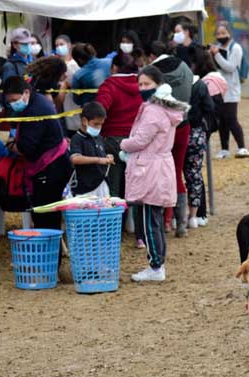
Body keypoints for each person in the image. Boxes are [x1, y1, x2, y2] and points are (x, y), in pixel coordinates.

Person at [124, 66, 190, 283]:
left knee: (148, 221)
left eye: (147, 84)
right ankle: (157, 263)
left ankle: (155, 265)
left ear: (157, 84)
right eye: (140, 84)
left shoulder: (153, 111)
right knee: (155, 221)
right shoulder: (165, 108)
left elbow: (140, 140)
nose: (142, 88)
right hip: (158, 166)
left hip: (149, 169)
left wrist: (123, 144)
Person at [3, 76, 72, 230]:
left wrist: (11, 145)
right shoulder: (37, 100)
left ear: (26, 92)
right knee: (47, 216)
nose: (13, 104)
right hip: (54, 162)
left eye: (14, 99)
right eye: (10, 101)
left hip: (51, 167)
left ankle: (51, 252)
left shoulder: (35, 111)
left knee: (46, 218)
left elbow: (27, 148)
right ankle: (50, 251)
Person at [94, 53, 143, 246]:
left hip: (112, 141)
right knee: (136, 188)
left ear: (114, 68)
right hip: (137, 140)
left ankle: (114, 233)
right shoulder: (141, 84)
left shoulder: (109, 85)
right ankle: (140, 236)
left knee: (114, 189)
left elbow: (100, 109)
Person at [147, 40, 194, 237]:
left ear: (151, 56)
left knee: (160, 173)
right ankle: (181, 223)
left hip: (162, 130)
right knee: (176, 172)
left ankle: (166, 222)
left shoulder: (151, 71)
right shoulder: (184, 66)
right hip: (183, 124)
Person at [210, 22, 249, 159]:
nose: (221, 36)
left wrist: (216, 55)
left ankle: (242, 147)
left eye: (224, 33)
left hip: (231, 89)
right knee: (222, 120)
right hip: (218, 88)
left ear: (229, 33)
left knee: (231, 118)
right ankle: (224, 149)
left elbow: (230, 67)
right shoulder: (218, 48)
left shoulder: (236, 48)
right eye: (218, 34)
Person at [185, 49, 216, 229]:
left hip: (177, 133)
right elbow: (210, 108)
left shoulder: (171, 84)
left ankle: (174, 217)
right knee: (195, 174)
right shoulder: (201, 85)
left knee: (174, 175)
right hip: (196, 133)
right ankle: (194, 216)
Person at [70, 102, 112, 197]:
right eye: (96, 124)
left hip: (101, 184)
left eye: (101, 124)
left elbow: (102, 155)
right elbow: (75, 159)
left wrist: (108, 157)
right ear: (84, 121)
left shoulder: (99, 137)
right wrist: (98, 160)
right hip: (85, 189)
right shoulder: (77, 138)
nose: (99, 127)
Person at [54, 34, 82, 137]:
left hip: (73, 104)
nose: (59, 47)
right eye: (56, 45)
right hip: (61, 106)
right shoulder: (56, 65)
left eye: (61, 44)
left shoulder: (74, 65)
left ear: (69, 45)